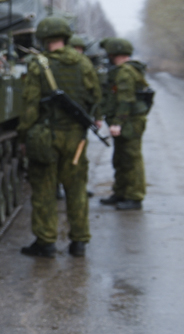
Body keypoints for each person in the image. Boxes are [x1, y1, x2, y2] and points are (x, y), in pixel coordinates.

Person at [17, 16, 100, 257]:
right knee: (76, 189)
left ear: (43, 39)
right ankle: (79, 242)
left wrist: (23, 136)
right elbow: (96, 97)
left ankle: (46, 241)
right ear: (65, 37)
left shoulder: (38, 65)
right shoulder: (83, 63)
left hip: (45, 136)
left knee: (43, 189)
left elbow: (30, 106)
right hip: (75, 137)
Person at [99, 37, 150, 210]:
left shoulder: (125, 72)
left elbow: (125, 100)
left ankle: (134, 197)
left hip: (130, 121)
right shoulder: (124, 70)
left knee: (131, 158)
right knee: (120, 157)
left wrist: (117, 123)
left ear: (114, 53)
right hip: (127, 120)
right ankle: (120, 192)